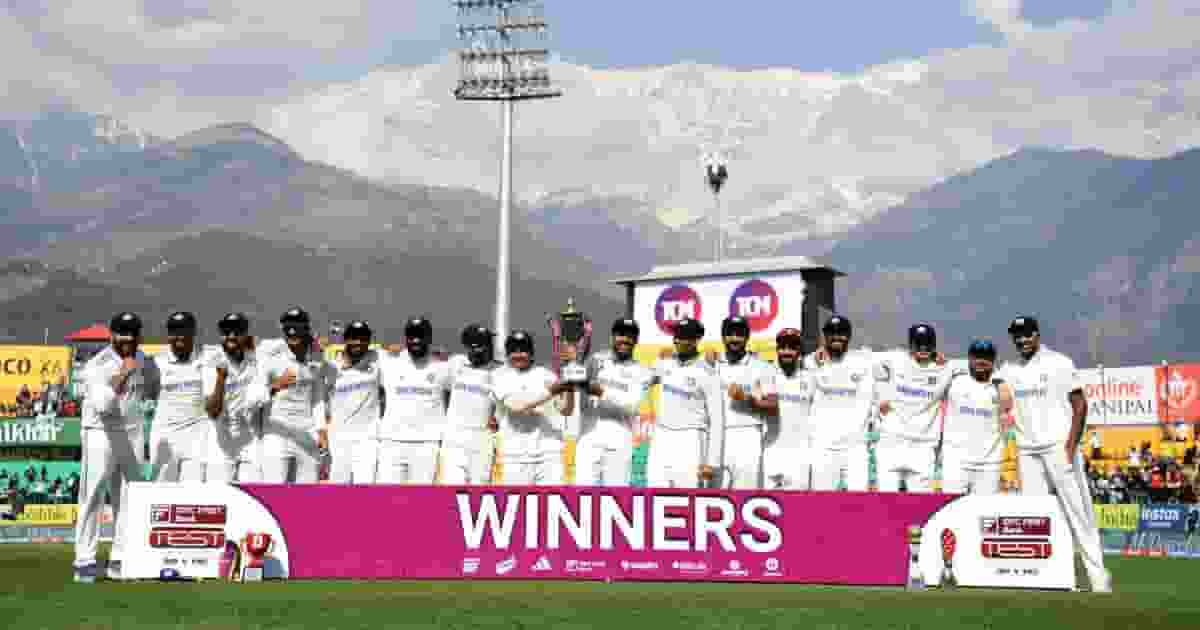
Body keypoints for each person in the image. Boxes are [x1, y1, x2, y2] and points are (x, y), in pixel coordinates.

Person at [998, 315, 1111, 593]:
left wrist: (1071, 445)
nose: (1022, 340)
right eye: (1017, 336)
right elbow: (985, 375)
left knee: (1079, 514)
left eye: (1027, 335)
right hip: (1028, 452)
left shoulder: (1059, 363)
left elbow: (1080, 405)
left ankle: (1098, 580)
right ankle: (1043, 578)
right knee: (1036, 518)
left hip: (1058, 448)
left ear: (1037, 335)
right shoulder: (1010, 369)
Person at [73, 312, 160, 583]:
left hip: (132, 432)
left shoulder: (144, 359)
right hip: (100, 432)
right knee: (93, 495)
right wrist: (123, 373)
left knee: (128, 499)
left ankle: (120, 559)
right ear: (112, 336)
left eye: (133, 333)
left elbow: (153, 388)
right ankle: (85, 560)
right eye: (122, 333)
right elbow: (104, 406)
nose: (128, 339)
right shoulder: (96, 364)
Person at [874, 323, 955, 493]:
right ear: (910, 345)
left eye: (927, 343)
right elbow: (867, 368)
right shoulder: (896, 361)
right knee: (883, 503)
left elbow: (978, 372)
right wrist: (882, 398)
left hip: (923, 448)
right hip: (891, 443)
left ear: (934, 345)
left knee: (920, 508)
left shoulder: (945, 369)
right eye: (918, 343)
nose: (923, 348)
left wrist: (999, 384)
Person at [646, 318, 725, 488]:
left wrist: (712, 462)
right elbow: (642, 381)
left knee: (687, 498)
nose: (678, 340)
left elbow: (717, 420)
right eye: (677, 335)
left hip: (691, 438)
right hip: (662, 436)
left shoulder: (708, 372)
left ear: (696, 340)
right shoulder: (664, 363)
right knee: (654, 492)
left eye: (684, 336)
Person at [574, 317, 654, 487]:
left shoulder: (641, 370)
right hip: (588, 440)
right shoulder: (595, 360)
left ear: (636, 340)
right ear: (612, 336)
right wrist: (576, 355)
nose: (625, 339)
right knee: (583, 500)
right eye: (620, 334)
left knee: (617, 499)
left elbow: (631, 403)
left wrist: (600, 390)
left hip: (620, 444)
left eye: (630, 336)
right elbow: (573, 377)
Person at [807, 315, 880, 491]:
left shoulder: (864, 362)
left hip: (855, 447)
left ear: (849, 336)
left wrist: (935, 358)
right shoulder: (811, 363)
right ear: (825, 337)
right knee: (821, 504)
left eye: (842, 333)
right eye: (831, 333)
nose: (836, 337)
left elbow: (901, 360)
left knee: (859, 504)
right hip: (823, 447)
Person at [490, 330, 574, 485]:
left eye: (523, 350)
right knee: (517, 507)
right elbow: (517, 406)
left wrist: (569, 386)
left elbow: (566, 410)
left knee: (552, 506)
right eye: (513, 351)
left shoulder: (546, 375)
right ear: (507, 354)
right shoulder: (499, 378)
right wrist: (553, 389)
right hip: (514, 456)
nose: (518, 354)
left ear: (531, 352)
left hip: (549, 454)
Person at [259, 307, 332, 483]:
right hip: (276, 436)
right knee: (274, 495)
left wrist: (321, 431)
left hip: (307, 436)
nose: (292, 332)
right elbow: (253, 397)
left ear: (306, 329)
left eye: (297, 327)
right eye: (288, 328)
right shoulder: (269, 355)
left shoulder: (317, 357)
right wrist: (275, 386)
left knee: (307, 499)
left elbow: (317, 398)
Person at [376, 317, 452, 484]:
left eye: (421, 336)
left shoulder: (444, 368)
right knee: (387, 501)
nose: (416, 341)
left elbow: (473, 382)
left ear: (429, 339)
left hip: (427, 443)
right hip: (391, 441)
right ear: (406, 339)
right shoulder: (389, 365)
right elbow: (359, 356)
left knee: (421, 501)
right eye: (411, 336)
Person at [938, 340, 1013, 495]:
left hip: (989, 465)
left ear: (993, 361)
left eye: (986, 357)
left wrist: (1001, 382)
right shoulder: (955, 382)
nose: (981, 361)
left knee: (984, 514)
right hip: (956, 462)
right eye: (977, 357)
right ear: (969, 359)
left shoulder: (1002, 386)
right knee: (950, 511)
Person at [149, 311, 210, 483]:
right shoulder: (156, 362)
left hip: (197, 438)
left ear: (194, 333)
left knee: (193, 496)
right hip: (165, 438)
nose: (179, 336)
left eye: (185, 331)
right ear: (168, 335)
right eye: (174, 332)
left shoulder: (207, 358)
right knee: (161, 497)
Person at [713, 316, 773, 489]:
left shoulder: (762, 367)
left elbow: (772, 406)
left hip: (748, 435)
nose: (734, 339)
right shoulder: (710, 365)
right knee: (714, 497)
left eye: (739, 334)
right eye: (729, 334)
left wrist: (746, 398)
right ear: (723, 337)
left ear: (747, 337)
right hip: (716, 436)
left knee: (747, 496)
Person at [205, 313, 266, 482]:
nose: (231, 335)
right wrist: (220, 379)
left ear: (245, 335)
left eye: (237, 331)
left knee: (254, 496)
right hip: (221, 441)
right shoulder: (212, 362)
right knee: (219, 500)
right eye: (226, 331)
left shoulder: (256, 357)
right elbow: (212, 412)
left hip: (252, 439)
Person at [440, 324, 502, 485]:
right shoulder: (455, 364)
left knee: (479, 492)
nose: (487, 348)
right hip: (454, 440)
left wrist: (497, 418)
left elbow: (507, 403)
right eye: (480, 344)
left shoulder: (500, 371)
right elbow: (441, 391)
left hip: (483, 440)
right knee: (451, 488)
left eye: (488, 343)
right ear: (470, 347)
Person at [325, 320, 384, 484]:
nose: (358, 342)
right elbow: (318, 399)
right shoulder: (331, 366)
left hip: (368, 439)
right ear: (345, 339)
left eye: (363, 338)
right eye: (353, 338)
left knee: (365, 489)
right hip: (338, 438)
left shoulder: (378, 360)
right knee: (337, 491)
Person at [759, 327, 816, 489]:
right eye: (783, 347)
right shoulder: (764, 376)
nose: (787, 352)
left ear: (799, 350)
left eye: (792, 347)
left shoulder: (811, 378)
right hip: (771, 452)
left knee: (799, 509)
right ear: (777, 349)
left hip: (801, 455)